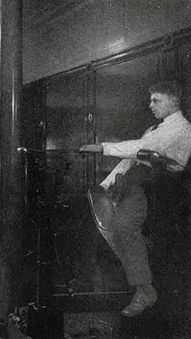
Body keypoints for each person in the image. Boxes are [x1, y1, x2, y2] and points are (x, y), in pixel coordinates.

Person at [80, 80, 191, 317]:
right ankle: (141, 284)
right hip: (139, 184)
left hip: (164, 190)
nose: (150, 105)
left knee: (123, 227)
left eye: (156, 100)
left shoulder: (180, 128)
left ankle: (145, 290)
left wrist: (102, 147)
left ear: (174, 101)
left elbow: (140, 148)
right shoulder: (156, 129)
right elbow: (132, 159)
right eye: (150, 100)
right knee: (109, 225)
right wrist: (107, 183)